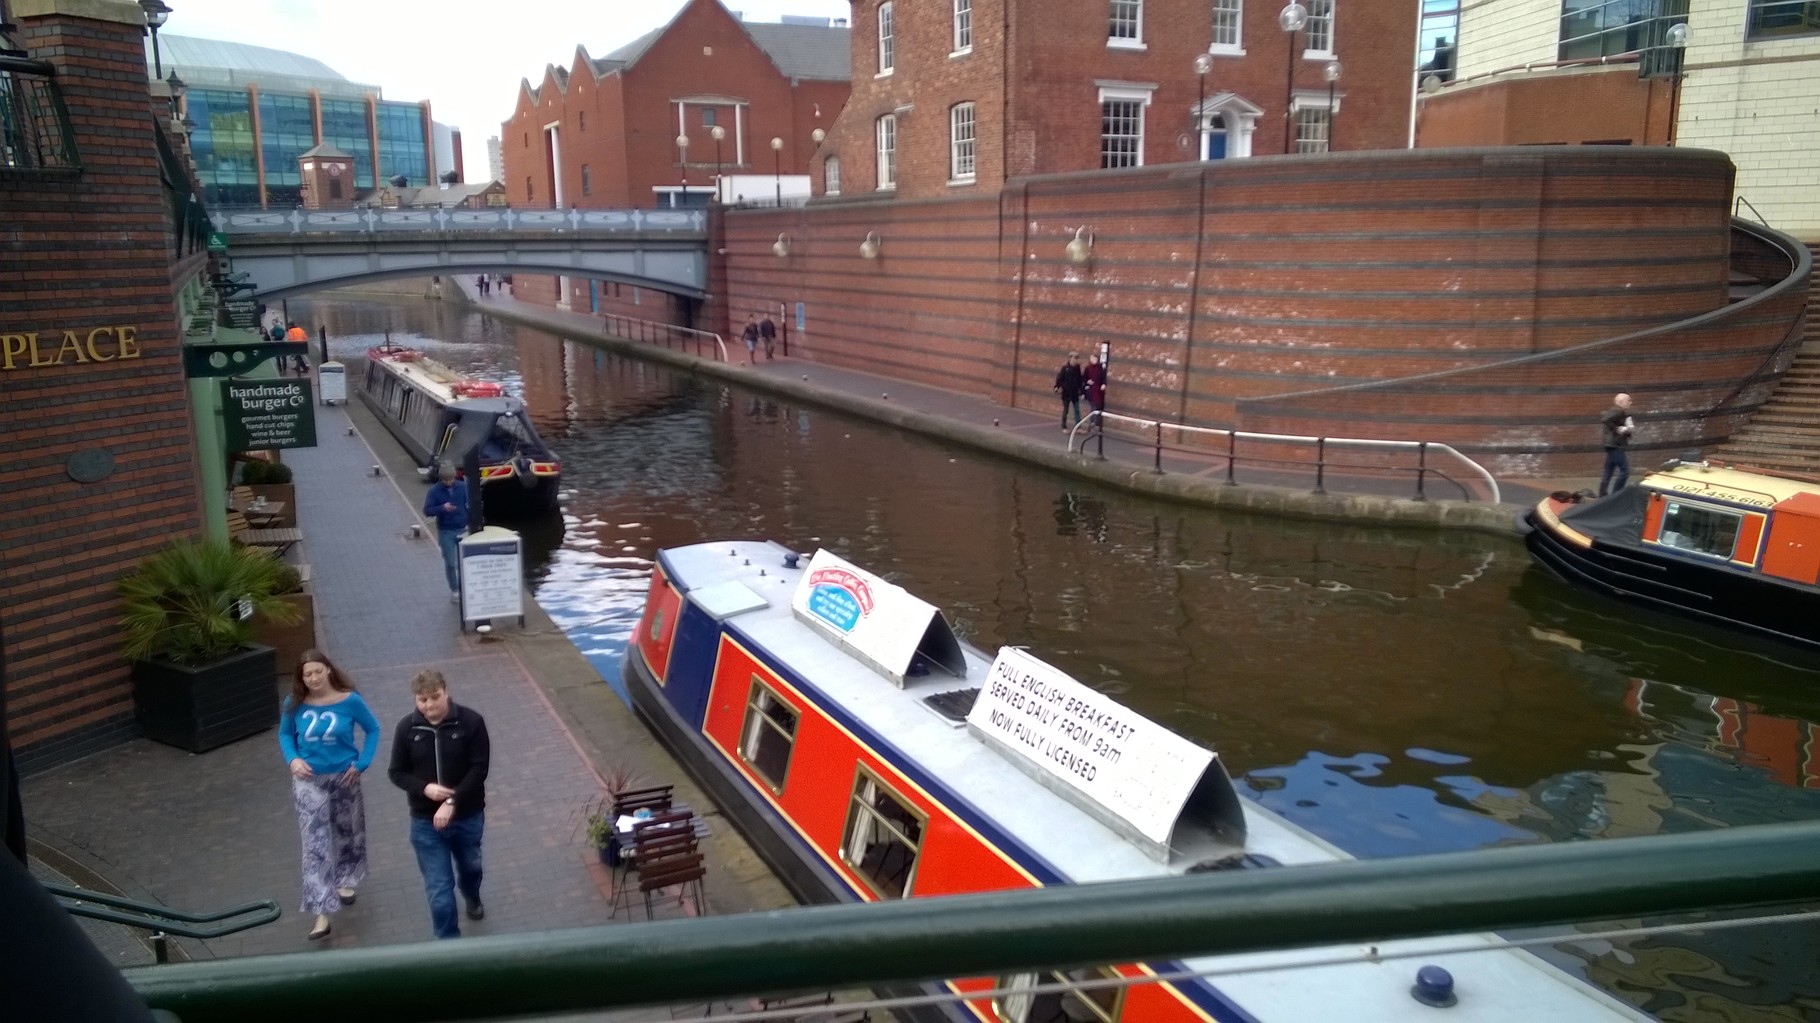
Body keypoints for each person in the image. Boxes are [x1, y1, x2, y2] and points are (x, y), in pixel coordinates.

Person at [279, 648, 380, 941]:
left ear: (327, 670)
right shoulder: (294, 703)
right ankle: (321, 913)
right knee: (315, 846)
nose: (312, 679)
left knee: (347, 832)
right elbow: (286, 734)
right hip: (309, 782)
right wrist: (292, 759)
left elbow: (373, 729)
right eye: (306, 674)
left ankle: (346, 878)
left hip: (344, 778)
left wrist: (361, 763)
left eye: (316, 672)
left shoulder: (350, 701)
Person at [388, 670, 490, 939]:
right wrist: (424, 788)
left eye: (435, 697)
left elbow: (479, 769)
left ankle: (472, 895)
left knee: (471, 868)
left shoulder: (471, 722)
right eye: (423, 700)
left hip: (467, 817)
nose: (430, 705)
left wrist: (452, 801)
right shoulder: (406, 729)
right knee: (440, 890)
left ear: (446, 691)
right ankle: (449, 946)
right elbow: (396, 772)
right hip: (425, 823)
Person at [423, 462, 469, 603]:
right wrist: (442, 508)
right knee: (450, 563)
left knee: (465, 562)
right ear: (441, 479)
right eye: (445, 480)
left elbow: (470, 504)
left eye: (450, 479)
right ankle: (455, 589)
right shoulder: (434, 491)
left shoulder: (463, 487)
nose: (448, 482)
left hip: (463, 528)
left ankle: (466, 587)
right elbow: (427, 510)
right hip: (446, 531)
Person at [1598, 392, 1635, 497]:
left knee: (1608, 470)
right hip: (1615, 445)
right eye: (1629, 400)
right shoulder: (1618, 411)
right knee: (1625, 471)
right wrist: (1618, 429)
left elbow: (1612, 422)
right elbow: (1605, 420)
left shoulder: (1618, 411)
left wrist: (1626, 430)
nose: (1631, 403)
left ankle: (1602, 495)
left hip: (1611, 445)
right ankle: (1616, 494)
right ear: (1621, 402)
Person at [1054, 352, 1085, 431]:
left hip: (1074, 393)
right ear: (1070, 359)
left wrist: (1081, 391)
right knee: (1066, 410)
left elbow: (1080, 380)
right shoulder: (1065, 368)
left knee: (1077, 410)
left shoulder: (1077, 368)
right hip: (1066, 393)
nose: (1075, 360)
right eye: (1074, 358)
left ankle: (1078, 428)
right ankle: (1064, 426)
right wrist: (1058, 387)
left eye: (1077, 359)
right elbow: (1059, 379)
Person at [1083, 351, 1107, 418]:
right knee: (1093, 406)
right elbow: (1084, 377)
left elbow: (1103, 378)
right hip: (1091, 390)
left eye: (1095, 359)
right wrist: (1088, 381)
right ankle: (1093, 422)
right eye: (1092, 359)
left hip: (1098, 390)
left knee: (1097, 406)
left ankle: (1094, 422)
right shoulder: (1088, 368)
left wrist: (1103, 384)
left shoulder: (1100, 368)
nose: (1094, 360)